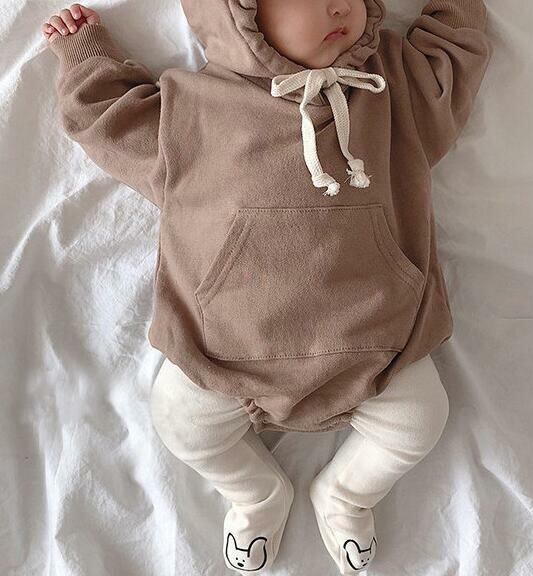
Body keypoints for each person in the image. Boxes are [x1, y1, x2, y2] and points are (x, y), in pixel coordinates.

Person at [41, 1, 492, 574]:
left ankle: (348, 494)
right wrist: (86, 55)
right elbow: (112, 122)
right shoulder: (195, 108)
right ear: (241, 14)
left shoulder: (391, 88)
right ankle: (256, 493)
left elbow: (452, 63)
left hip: (376, 347)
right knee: (180, 422)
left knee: (421, 419)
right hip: (225, 355)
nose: (340, 6)